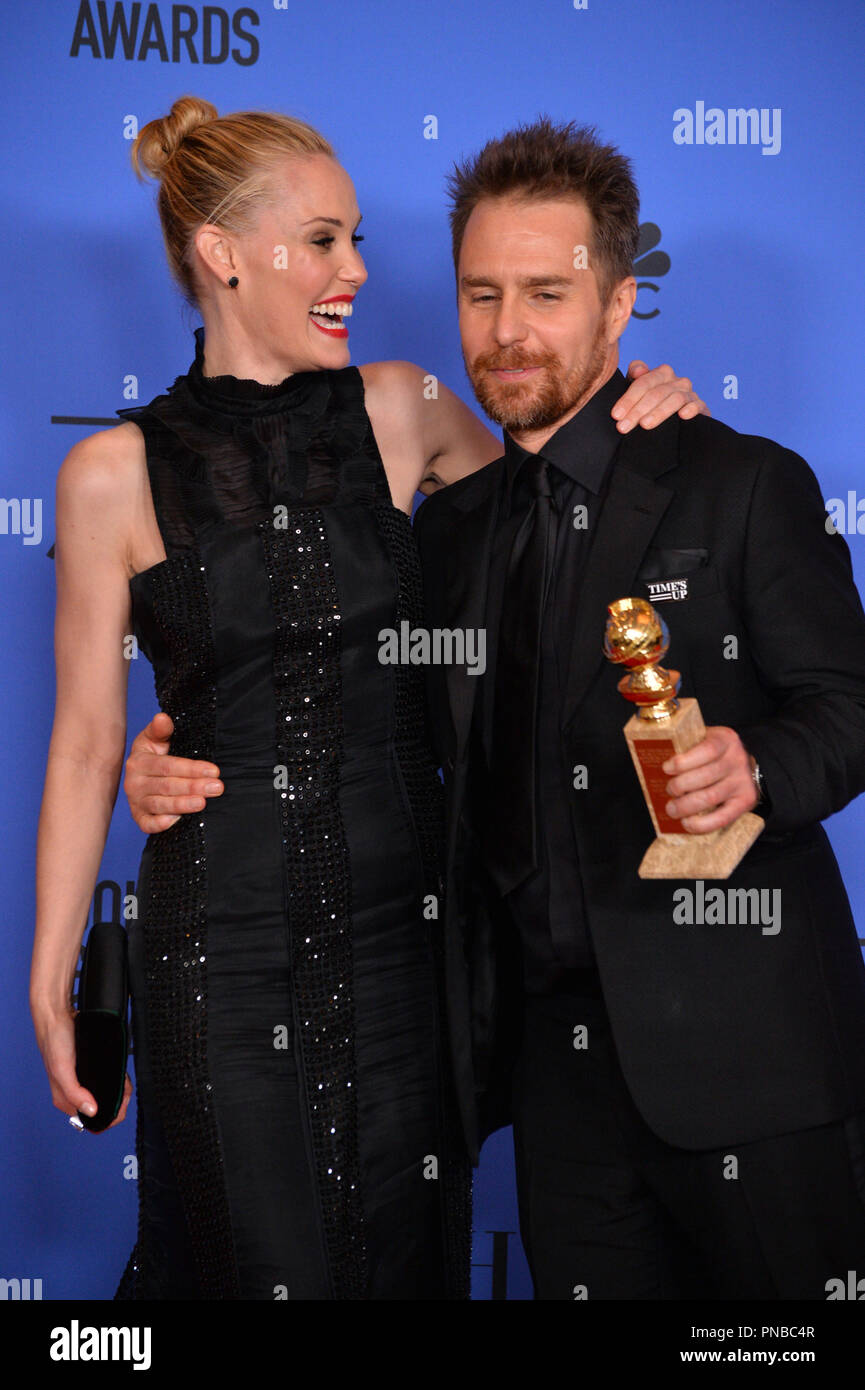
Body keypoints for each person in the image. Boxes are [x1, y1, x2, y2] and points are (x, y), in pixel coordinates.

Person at [31, 96, 702, 1302]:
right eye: (327, 241)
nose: (360, 269)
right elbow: (86, 741)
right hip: (218, 953)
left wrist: (644, 404)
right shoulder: (108, 476)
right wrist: (49, 965)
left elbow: (564, 534)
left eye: (357, 241)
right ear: (222, 255)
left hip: (410, 943)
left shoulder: (403, 409)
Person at [412, 117, 865, 1299]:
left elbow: (848, 706)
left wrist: (754, 767)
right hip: (556, 1082)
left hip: (751, 1062)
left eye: (547, 294)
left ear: (618, 311)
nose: (507, 331)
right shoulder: (451, 531)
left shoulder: (742, 481)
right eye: (480, 293)